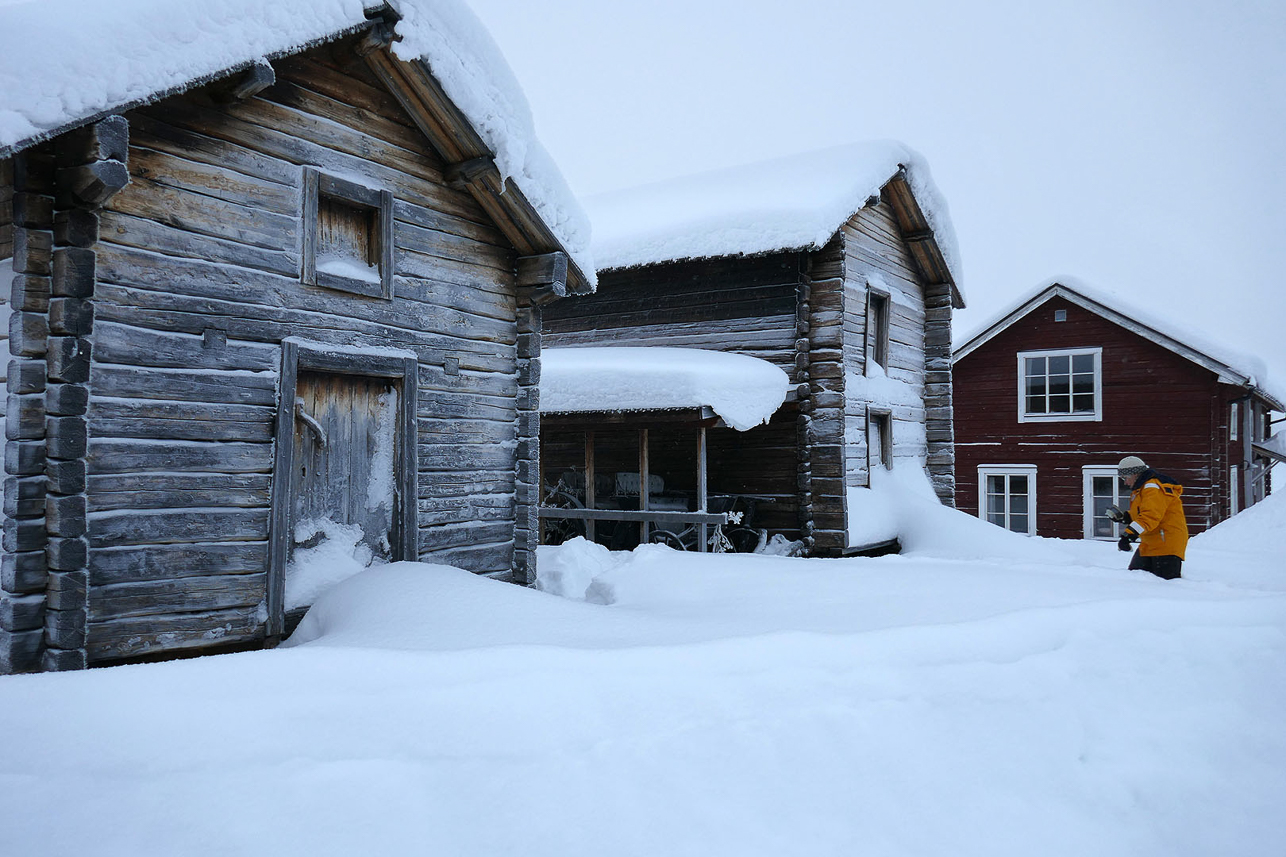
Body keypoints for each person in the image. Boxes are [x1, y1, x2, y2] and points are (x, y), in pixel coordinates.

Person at [1113, 456, 1188, 580]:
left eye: (1125, 478)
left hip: (1166, 544)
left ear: (1135, 474)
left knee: (1165, 587)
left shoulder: (1153, 488)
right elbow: (1142, 513)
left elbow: (1150, 516)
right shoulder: (1141, 489)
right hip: (1150, 543)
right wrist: (1126, 517)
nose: (1125, 482)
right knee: (1136, 579)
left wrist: (1128, 535)